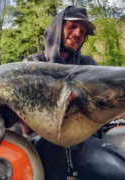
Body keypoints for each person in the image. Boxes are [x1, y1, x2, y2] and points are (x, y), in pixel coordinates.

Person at [22, 6, 125, 180]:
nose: (78, 33)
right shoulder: (31, 65)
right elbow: (22, 126)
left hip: (86, 143)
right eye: (72, 27)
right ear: (57, 27)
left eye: (83, 31)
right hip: (41, 144)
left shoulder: (90, 66)